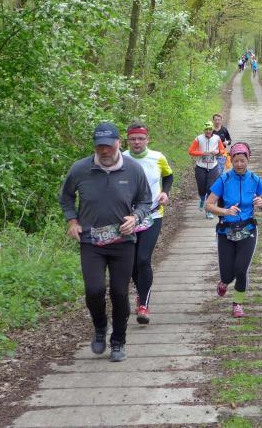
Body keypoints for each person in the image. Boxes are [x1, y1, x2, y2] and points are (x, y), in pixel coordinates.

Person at [59, 122, 152, 362]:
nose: (104, 151)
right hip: (91, 241)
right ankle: (100, 326)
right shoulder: (80, 169)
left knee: (119, 293)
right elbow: (66, 197)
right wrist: (72, 221)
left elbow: (145, 201)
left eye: (109, 146)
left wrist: (135, 217)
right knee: (94, 290)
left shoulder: (133, 169)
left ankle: (118, 340)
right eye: (100, 146)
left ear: (118, 143)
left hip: (123, 241)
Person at [205, 142, 262, 318]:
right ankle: (224, 282)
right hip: (226, 231)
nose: (239, 164)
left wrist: (261, 204)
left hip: (248, 229)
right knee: (227, 274)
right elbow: (208, 205)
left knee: (241, 269)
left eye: (243, 160)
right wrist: (226, 211)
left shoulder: (255, 179)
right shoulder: (224, 180)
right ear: (231, 161)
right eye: (236, 161)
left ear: (248, 160)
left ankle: (238, 303)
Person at [122, 121, 173, 325]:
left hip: (153, 215)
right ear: (127, 140)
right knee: (132, 262)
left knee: (143, 259)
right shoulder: (121, 158)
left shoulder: (158, 157)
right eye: (133, 139)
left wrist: (165, 192)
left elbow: (168, 176)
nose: (137, 142)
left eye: (141, 138)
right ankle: (140, 291)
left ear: (147, 139)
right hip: (128, 218)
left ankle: (143, 303)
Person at [188, 120, 226, 219]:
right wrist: (202, 153)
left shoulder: (217, 138)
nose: (208, 131)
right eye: (206, 129)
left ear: (212, 129)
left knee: (211, 188)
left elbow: (222, 150)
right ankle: (202, 199)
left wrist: (217, 151)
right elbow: (191, 151)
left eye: (210, 129)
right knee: (201, 188)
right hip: (200, 167)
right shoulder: (198, 139)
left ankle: (208, 210)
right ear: (204, 130)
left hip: (213, 167)